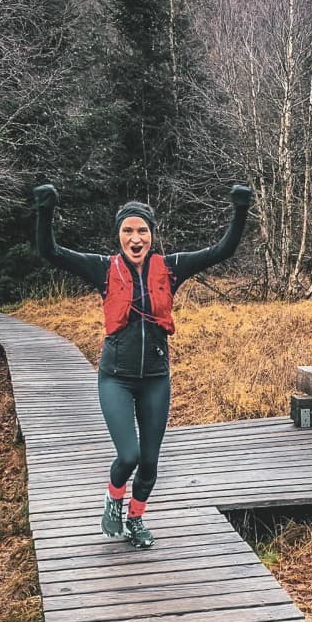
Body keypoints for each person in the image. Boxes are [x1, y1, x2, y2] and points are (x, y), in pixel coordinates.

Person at [32, 182, 252, 548]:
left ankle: (135, 520)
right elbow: (50, 252)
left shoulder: (171, 268)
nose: (136, 239)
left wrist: (240, 208)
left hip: (155, 379)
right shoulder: (102, 269)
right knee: (129, 455)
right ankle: (113, 498)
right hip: (115, 378)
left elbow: (223, 249)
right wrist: (45, 211)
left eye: (142, 231)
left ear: (151, 234)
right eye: (128, 231)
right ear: (119, 235)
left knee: (149, 463)